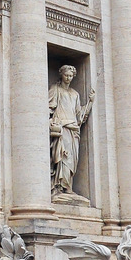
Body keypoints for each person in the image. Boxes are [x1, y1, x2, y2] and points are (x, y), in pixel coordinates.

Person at [48, 65, 95, 195]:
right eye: (66, 75)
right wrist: (51, 122)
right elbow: (49, 108)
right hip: (62, 127)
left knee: (71, 160)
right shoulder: (55, 89)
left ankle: (68, 186)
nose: (68, 78)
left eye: (70, 76)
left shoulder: (75, 94)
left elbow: (80, 115)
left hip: (73, 129)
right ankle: (59, 186)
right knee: (62, 157)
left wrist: (90, 102)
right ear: (61, 75)